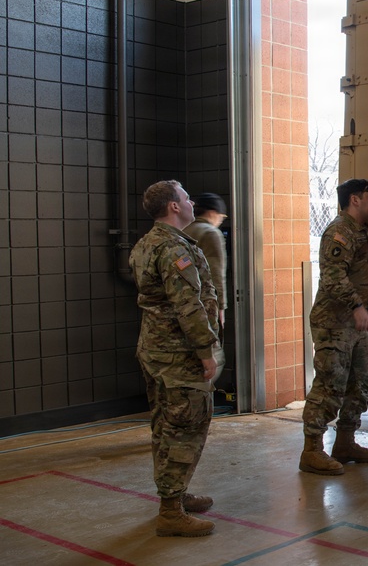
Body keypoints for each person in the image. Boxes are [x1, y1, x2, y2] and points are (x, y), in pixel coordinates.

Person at [129, 180, 222, 538]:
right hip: (178, 354)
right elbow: (188, 306)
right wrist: (206, 351)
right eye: (185, 197)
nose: (191, 201)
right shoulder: (172, 249)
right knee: (186, 427)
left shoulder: (145, 244)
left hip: (154, 350)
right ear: (173, 207)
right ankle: (171, 510)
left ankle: (175, 494)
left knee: (164, 426)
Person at [299, 178, 368, 475]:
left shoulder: (361, 231)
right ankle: (311, 451)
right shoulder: (340, 232)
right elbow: (333, 277)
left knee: (360, 385)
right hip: (334, 322)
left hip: (353, 325)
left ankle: (345, 442)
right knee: (329, 385)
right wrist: (357, 307)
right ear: (355, 200)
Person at [184, 193, 228, 329]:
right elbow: (216, 272)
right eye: (222, 216)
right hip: (204, 301)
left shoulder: (184, 230)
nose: (221, 220)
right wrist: (220, 306)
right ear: (212, 212)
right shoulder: (211, 233)